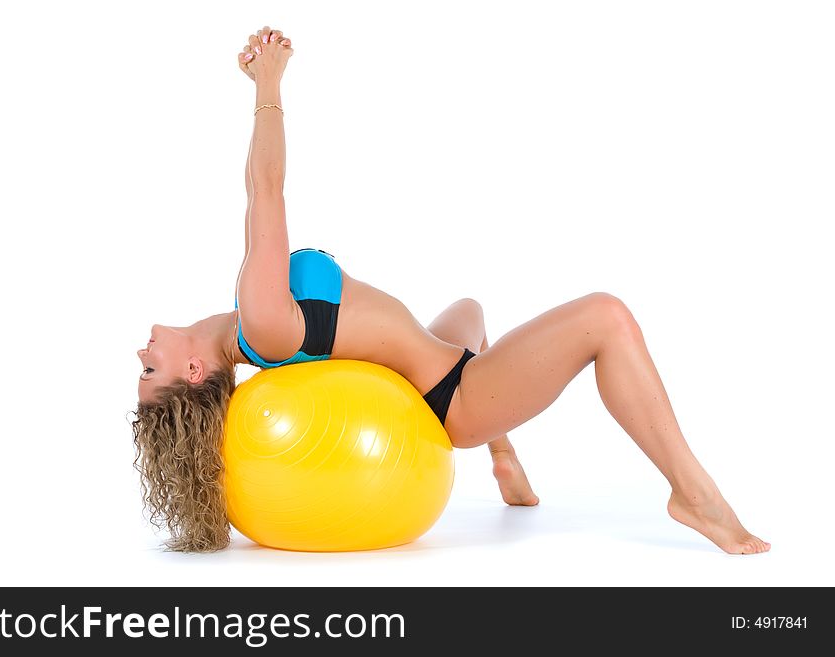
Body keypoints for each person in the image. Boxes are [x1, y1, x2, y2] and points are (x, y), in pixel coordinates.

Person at [131, 26, 769, 556]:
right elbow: (266, 190)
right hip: (453, 397)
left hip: (438, 357)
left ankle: (505, 456)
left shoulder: (252, 317)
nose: (141, 354)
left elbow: (255, 195)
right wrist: (270, 83)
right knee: (606, 316)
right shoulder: (262, 322)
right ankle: (694, 494)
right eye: (150, 369)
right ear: (193, 370)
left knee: (469, 308)